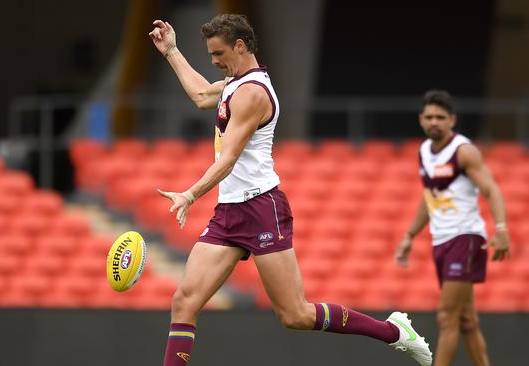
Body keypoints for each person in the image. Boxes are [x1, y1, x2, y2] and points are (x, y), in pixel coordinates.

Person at [150, 14, 432, 366]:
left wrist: (190, 194)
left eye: (218, 53)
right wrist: (171, 51)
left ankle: (393, 331)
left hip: (261, 210)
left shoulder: (252, 93)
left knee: (295, 315)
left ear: (240, 45)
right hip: (229, 211)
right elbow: (199, 94)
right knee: (185, 301)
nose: (214, 60)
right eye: (210, 54)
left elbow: (230, 160)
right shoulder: (234, 84)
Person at [394, 90, 511, 366]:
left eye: (440, 117)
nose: (434, 122)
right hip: (441, 239)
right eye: (429, 117)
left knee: (447, 317)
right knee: (467, 320)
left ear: (452, 120)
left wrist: (502, 227)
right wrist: (410, 235)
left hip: (465, 237)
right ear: (421, 119)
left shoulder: (464, 152)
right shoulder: (423, 151)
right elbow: (429, 197)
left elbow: (491, 189)